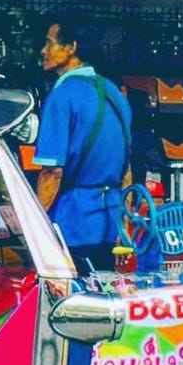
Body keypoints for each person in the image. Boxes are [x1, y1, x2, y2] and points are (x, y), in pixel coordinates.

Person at [34, 17, 133, 273]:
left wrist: (31, 225)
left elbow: (51, 174)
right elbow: (126, 170)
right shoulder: (115, 95)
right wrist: (124, 225)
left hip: (70, 227)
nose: (43, 51)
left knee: (67, 305)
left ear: (71, 48)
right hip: (110, 227)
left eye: (49, 43)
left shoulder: (60, 97)